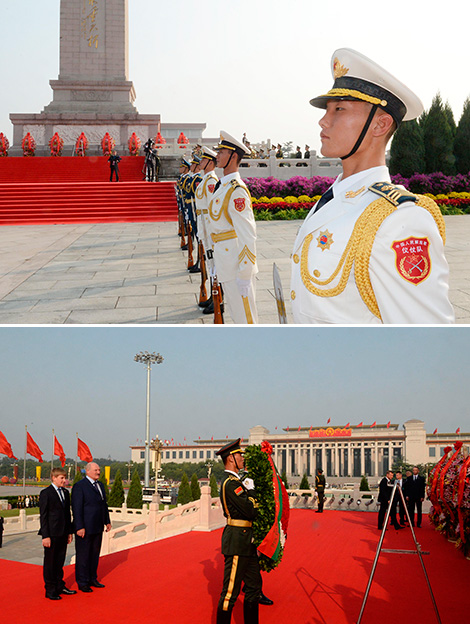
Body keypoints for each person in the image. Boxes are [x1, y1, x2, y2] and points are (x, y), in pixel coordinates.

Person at [290, 48, 454, 324]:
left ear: (380, 124)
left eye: (339, 109)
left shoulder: (399, 218)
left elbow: (428, 339)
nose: (323, 120)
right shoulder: (334, 198)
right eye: (327, 109)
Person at [208, 131, 258, 324]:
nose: (217, 155)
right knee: (237, 316)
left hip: (237, 264)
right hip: (225, 259)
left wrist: (245, 272)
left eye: (222, 151)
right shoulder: (223, 186)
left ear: (233, 156)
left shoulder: (237, 190)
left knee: (246, 319)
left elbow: (248, 234)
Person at [215, 439, 261, 624]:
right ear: (231, 459)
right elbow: (251, 509)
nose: (243, 458)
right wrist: (252, 492)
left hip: (247, 541)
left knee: (254, 587)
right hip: (237, 541)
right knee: (230, 593)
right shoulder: (230, 483)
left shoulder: (238, 482)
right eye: (240, 455)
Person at [71, 462, 111, 592]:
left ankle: (92, 578)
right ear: (87, 471)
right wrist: (79, 526)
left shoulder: (100, 485)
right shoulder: (80, 486)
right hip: (85, 528)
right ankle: (82, 582)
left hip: (98, 526)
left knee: (94, 554)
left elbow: (103, 504)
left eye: (99, 470)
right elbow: (77, 508)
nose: (98, 472)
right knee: (83, 555)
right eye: (95, 470)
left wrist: (107, 521)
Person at [38, 467, 76, 600]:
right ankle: (50, 589)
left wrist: (69, 532)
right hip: (51, 534)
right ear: (53, 478)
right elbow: (43, 516)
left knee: (60, 562)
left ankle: (60, 585)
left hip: (63, 533)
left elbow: (67, 514)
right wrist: (45, 536)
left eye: (65, 478)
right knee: (50, 563)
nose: (64, 481)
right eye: (62, 478)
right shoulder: (46, 493)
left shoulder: (65, 493)